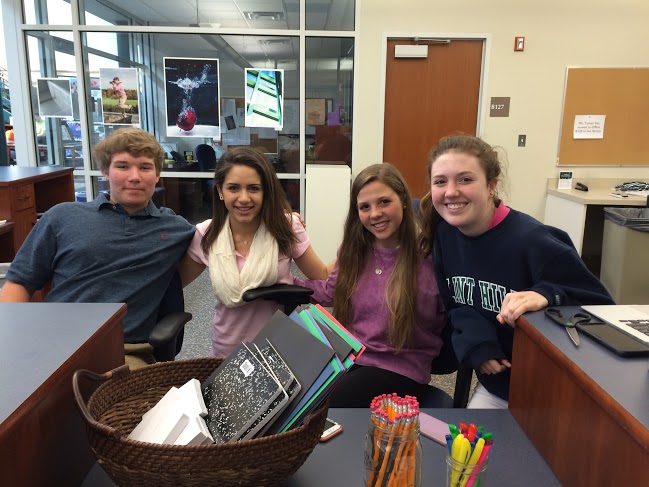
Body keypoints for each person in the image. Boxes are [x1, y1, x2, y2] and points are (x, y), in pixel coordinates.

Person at [419, 134, 614, 409]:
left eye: (465, 179)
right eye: (441, 181)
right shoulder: (445, 234)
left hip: (556, 393)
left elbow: (603, 310)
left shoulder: (533, 241)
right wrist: (476, 342)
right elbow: (456, 303)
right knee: (468, 450)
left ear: (491, 186)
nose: (451, 191)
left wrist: (547, 294)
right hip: (500, 388)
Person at [0, 127, 196, 369]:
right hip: (50, 344)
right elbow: (19, 283)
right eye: (123, 166)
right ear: (105, 171)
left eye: (145, 167)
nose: (134, 176)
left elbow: (222, 237)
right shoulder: (62, 217)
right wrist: (10, 341)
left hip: (122, 353)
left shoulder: (177, 229)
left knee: (94, 401)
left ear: (157, 174)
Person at [294, 163, 447, 407]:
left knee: (321, 405)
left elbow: (455, 310)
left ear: (404, 201)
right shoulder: (354, 252)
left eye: (384, 202)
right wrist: (284, 282)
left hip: (401, 368)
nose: (374, 213)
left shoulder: (429, 257)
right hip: (352, 358)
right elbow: (331, 291)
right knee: (295, 390)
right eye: (365, 207)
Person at [179, 147, 329, 357]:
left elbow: (322, 276)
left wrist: (355, 247)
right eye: (233, 188)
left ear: (266, 191)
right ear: (220, 191)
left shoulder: (286, 227)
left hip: (278, 347)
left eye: (253, 188)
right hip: (225, 348)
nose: (243, 198)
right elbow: (174, 285)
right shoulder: (207, 234)